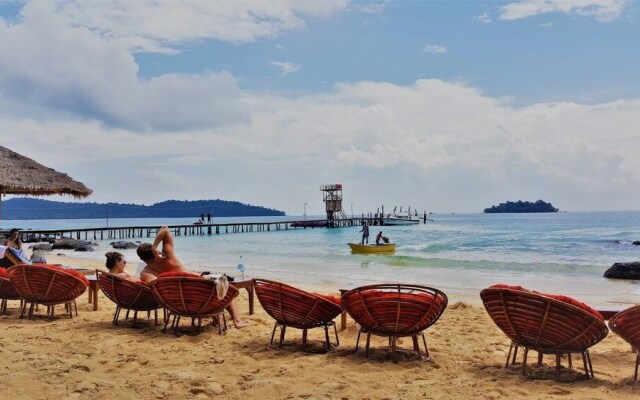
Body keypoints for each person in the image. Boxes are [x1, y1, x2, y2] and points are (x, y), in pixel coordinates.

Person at [137, 226, 248, 328]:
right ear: (154, 251)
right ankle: (237, 320)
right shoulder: (168, 255)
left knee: (212, 286)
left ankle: (217, 319)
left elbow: (153, 283)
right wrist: (155, 246)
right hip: (201, 294)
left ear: (142, 259)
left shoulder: (146, 272)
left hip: (178, 301)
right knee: (226, 289)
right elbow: (165, 229)